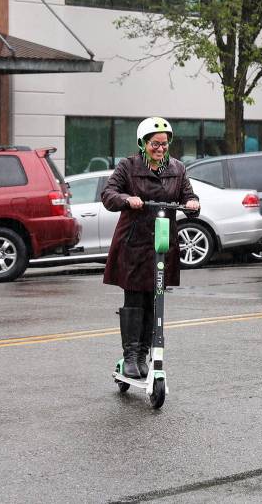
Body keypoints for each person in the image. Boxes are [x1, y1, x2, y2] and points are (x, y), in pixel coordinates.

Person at [101, 117, 200, 379]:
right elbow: (108, 195)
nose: (160, 149)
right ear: (142, 144)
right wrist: (127, 199)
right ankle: (131, 356)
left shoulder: (178, 169)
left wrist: (192, 204)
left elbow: (188, 196)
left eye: (164, 144)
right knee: (135, 298)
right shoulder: (128, 166)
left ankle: (145, 354)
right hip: (134, 243)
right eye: (155, 144)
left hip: (162, 242)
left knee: (155, 300)